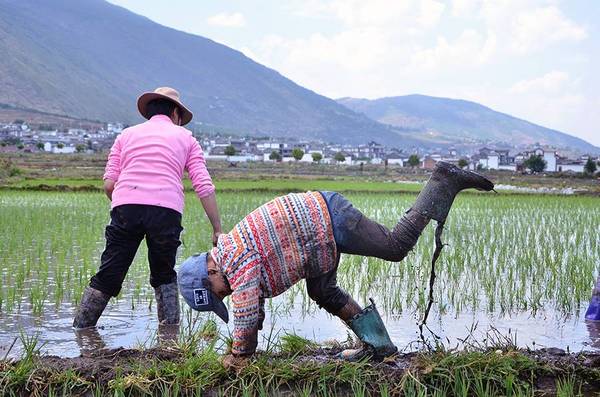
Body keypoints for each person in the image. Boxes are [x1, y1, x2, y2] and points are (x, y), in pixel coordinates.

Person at [177, 161, 494, 369]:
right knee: (322, 290)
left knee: (395, 247)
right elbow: (253, 306)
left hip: (328, 218)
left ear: (211, 273)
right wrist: (249, 338)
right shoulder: (233, 259)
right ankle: (380, 346)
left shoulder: (233, 260)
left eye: (219, 294)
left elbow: (245, 308)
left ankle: (440, 182)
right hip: (314, 242)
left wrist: (239, 356)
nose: (226, 296)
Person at [73, 87, 222, 329]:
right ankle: (170, 338)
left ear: (150, 112)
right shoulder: (186, 138)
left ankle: (81, 328)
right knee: (164, 274)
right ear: (175, 113)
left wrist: (125, 205)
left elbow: (110, 184)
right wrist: (216, 228)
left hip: (126, 207)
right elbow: (204, 186)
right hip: (166, 211)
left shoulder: (126, 135)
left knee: (109, 272)